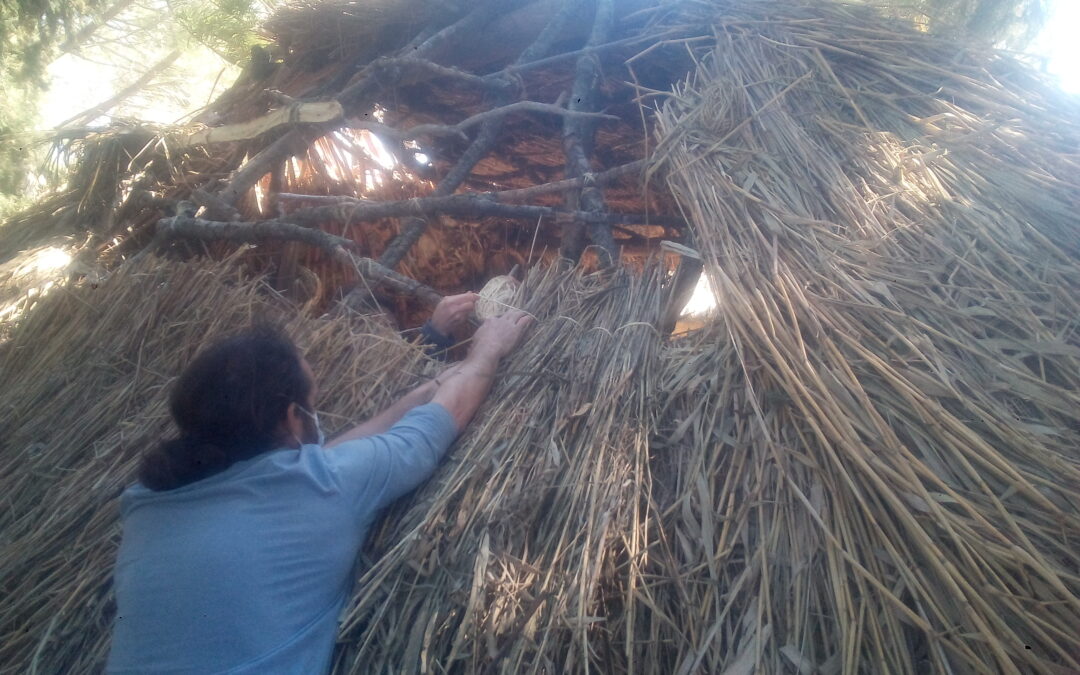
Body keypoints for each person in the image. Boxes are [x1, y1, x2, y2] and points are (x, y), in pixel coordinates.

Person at [105, 308, 532, 674]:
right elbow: (433, 428)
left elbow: (301, 470)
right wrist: (487, 349)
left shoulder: (145, 504)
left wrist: (420, 392)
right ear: (293, 416)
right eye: (312, 402)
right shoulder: (325, 489)